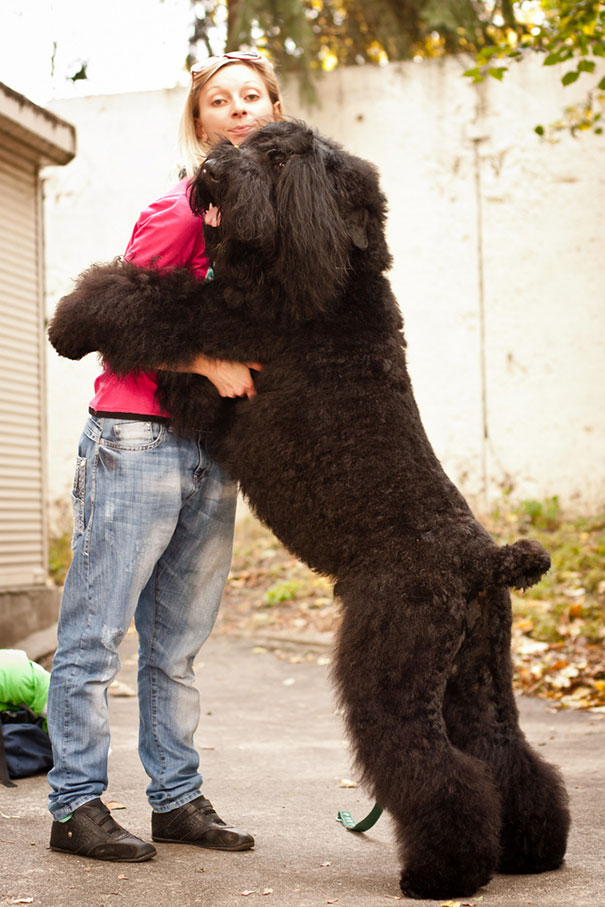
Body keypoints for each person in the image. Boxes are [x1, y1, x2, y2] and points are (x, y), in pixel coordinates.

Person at [47, 51, 283, 862]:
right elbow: (114, 318)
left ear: (276, 110)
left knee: (176, 646)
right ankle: (74, 804)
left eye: (253, 96)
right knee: (94, 635)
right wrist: (203, 366)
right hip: (136, 440)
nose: (239, 108)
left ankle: (176, 799)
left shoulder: (272, 227)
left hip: (209, 448)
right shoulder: (181, 208)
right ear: (200, 121)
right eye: (220, 100)